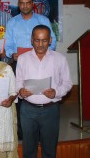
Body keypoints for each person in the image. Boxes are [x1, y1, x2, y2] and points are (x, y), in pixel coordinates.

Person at [4, 0, 57, 140]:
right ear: (18, 4)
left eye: (28, 3)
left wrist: (43, 53)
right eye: (22, 3)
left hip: (41, 64)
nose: (25, 6)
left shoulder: (43, 20)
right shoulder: (12, 22)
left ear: (33, 4)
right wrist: (12, 54)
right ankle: (23, 132)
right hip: (20, 65)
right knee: (21, 97)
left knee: (41, 94)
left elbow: (52, 43)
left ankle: (42, 132)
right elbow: (8, 46)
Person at [16, 25, 73, 158]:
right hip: (28, 110)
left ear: (50, 40)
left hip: (50, 109)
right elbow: (18, 81)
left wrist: (56, 92)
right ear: (31, 40)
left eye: (44, 40)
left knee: (49, 150)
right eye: (37, 40)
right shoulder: (23, 59)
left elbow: (68, 82)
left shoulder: (60, 59)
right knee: (29, 150)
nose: (40, 44)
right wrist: (20, 90)